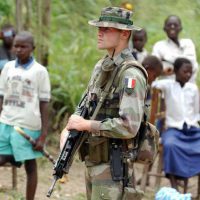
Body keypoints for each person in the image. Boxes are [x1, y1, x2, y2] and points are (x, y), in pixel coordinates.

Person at [60, 7, 147, 200]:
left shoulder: (131, 74)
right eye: (99, 28)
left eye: (107, 29)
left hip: (113, 166)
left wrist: (87, 125)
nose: (100, 33)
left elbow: (129, 126)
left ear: (124, 33)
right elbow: (86, 105)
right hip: (93, 160)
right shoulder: (101, 66)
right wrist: (69, 128)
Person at [0, 31, 51, 200]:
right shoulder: (7, 68)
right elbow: (1, 96)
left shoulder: (40, 71)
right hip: (5, 123)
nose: (19, 49)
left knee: (30, 166)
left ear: (32, 48)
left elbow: (44, 103)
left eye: (23, 46)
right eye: (16, 46)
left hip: (28, 126)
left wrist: (43, 135)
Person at [152, 57, 200, 193]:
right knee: (170, 145)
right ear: (176, 71)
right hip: (174, 129)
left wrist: (194, 124)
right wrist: (164, 73)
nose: (188, 75)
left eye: (190, 72)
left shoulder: (193, 88)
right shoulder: (167, 85)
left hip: (192, 129)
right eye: (185, 72)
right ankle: (174, 186)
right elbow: (151, 83)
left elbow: (196, 113)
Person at [152, 15, 198, 82]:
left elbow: (191, 63)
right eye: (169, 25)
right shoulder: (159, 46)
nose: (172, 27)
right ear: (164, 28)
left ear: (180, 28)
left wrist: (166, 59)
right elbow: (155, 67)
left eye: (175, 25)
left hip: (187, 86)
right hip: (166, 86)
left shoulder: (188, 43)